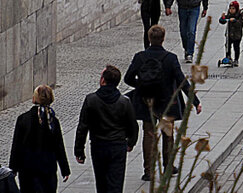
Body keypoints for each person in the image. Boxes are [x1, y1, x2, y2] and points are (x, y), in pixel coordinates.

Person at [124, 25, 201, 181]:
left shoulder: (140, 57)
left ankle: (149, 171)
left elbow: (127, 78)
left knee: (148, 135)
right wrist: (195, 102)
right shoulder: (170, 58)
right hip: (167, 104)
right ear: (163, 39)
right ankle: (168, 167)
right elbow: (182, 82)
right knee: (168, 135)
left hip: (147, 103)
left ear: (149, 38)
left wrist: (140, 86)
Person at [73, 65, 138, 193]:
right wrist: (131, 142)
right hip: (117, 145)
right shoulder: (124, 101)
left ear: (103, 81)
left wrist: (79, 150)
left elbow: (83, 127)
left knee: (101, 181)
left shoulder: (91, 100)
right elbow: (132, 125)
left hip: (99, 145)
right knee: (116, 181)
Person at [9, 84, 70, 193]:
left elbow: (16, 146)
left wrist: (13, 168)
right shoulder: (52, 121)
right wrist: (65, 169)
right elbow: (59, 147)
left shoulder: (23, 119)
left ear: (34, 99)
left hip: (28, 170)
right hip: (48, 169)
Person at [218, 2, 243, 67]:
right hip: (229, 35)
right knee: (227, 45)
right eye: (230, 8)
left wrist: (235, 21)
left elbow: (239, 24)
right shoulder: (229, 15)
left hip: (237, 35)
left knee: (236, 47)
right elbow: (223, 21)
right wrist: (222, 18)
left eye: (233, 8)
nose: (231, 10)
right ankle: (228, 56)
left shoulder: (239, 16)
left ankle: (236, 59)